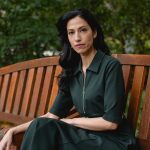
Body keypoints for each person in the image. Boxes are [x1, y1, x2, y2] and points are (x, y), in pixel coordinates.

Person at [0, 8, 136, 150]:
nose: (77, 37)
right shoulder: (72, 70)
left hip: (114, 141)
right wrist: (13, 130)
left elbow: (111, 123)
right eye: (71, 32)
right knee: (41, 126)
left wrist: (71, 122)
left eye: (83, 30)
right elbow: (51, 116)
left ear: (94, 32)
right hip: (86, 137)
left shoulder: (110, 66)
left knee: (46, 131)